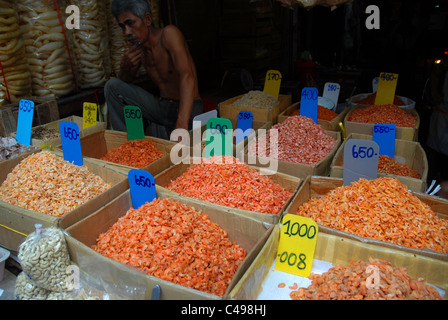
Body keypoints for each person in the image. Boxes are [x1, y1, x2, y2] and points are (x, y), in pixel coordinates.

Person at [105, 0, 203, 139]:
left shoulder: (168, 35)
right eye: (122, 27)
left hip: (188, 108)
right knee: (112, 86)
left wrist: (181, 123)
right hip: (162, 107)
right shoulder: (139, 49)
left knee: (187, 155)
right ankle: (127, 145)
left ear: (147, 19)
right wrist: (124, 68)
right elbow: (125, 82)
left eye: (131, 23)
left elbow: (187, 76)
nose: (127, 32)